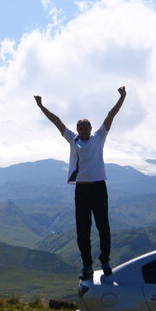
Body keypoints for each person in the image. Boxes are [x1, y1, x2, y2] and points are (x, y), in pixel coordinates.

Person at [34, 87, 127, 280]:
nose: (84, 131)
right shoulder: (72, 139)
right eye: (81, 128)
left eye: (86, 128)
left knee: (103, 226)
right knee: (82, 229)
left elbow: (111, 115)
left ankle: (105, 260)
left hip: (99, 187)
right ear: (77, 130)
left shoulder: (99, 137)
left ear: (91, 129)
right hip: (82, 189)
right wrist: (41, 106)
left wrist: (122, 97)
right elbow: (56, 121)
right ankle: (86, 265)